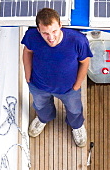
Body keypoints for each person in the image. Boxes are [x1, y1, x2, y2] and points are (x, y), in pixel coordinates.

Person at [22, 8, 92, 147]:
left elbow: (85, 62)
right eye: (45, 33)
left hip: (69, 89)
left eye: (54, 31)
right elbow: (27, 51)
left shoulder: (78, 40)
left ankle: (76, 126)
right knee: (41, 106)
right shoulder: (31, 36)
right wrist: (28, 76)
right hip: (38, 85)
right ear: (38, 30)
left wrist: (77, 85)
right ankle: (43, 119)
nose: (51, 38)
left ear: (60, 25)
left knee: (74, 110)